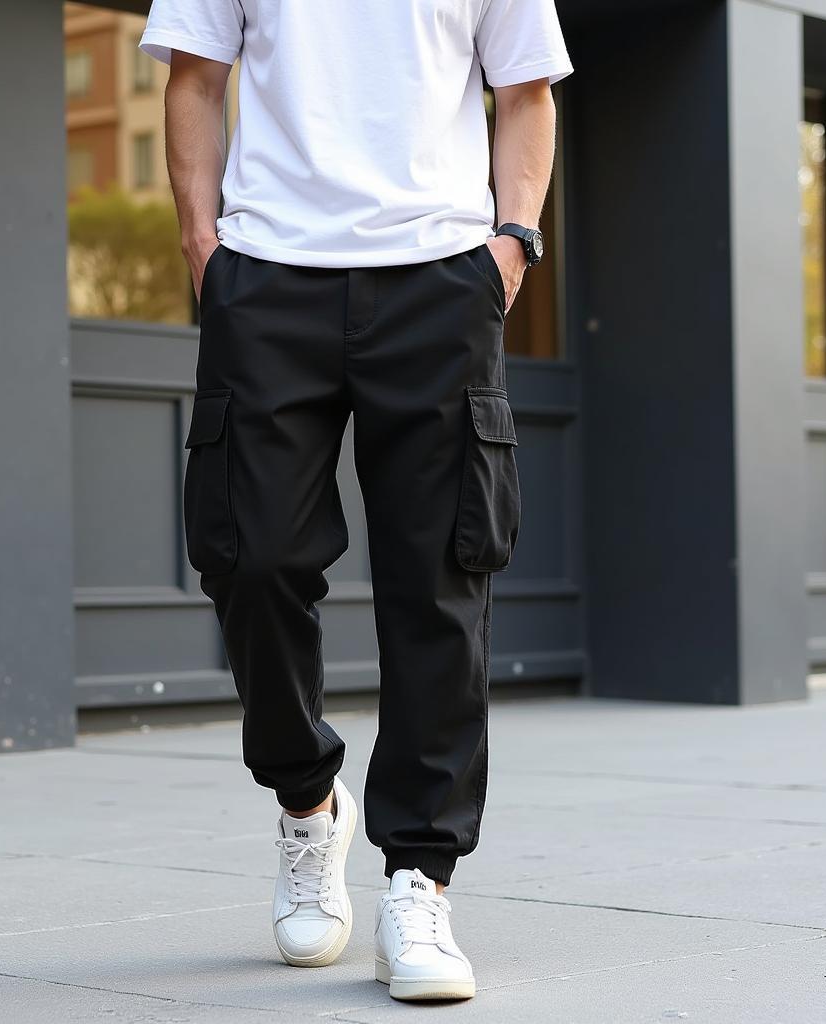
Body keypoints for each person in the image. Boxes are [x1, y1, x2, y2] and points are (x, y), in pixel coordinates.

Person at [140, 0, 573, 1002]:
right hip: (266, 275)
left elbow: (525, 91)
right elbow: (195, 79)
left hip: (439, 276)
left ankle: (418, 879)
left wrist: (508, 241)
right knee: (249, 555)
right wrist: (206, 250)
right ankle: (306, 800)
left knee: (439, 581)